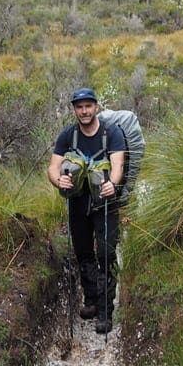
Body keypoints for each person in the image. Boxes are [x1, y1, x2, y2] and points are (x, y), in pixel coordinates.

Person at [47, 87, 127, 334]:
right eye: (79, 107)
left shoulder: (111, 133)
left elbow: (118, 164)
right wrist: (57, 180)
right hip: (78, 203)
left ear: (96, 107)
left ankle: (105, 312)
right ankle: (91, 301)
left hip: (105, 204)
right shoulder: (67, 136)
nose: (84, 111)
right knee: (83, 253)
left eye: (88, 106)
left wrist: (112, 185)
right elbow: (53, 167)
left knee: (105, 255)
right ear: (74, 110)